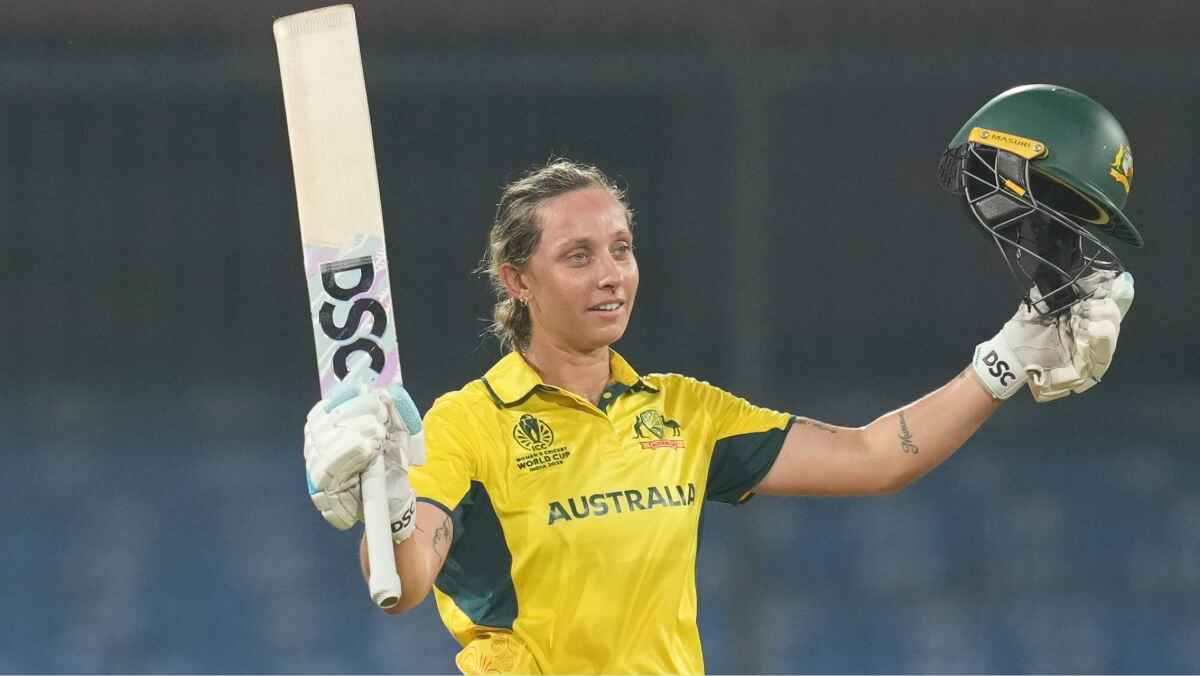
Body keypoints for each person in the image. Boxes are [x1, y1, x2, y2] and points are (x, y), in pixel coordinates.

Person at [302, 84, 1138, 674]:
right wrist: (381, 499)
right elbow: (405, 584)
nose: (611, 276)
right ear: (515, 280)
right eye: (578, 256)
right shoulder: (463, 425)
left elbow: (880, 457)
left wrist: (1011, 351)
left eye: (622, 249)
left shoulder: (683, 414)